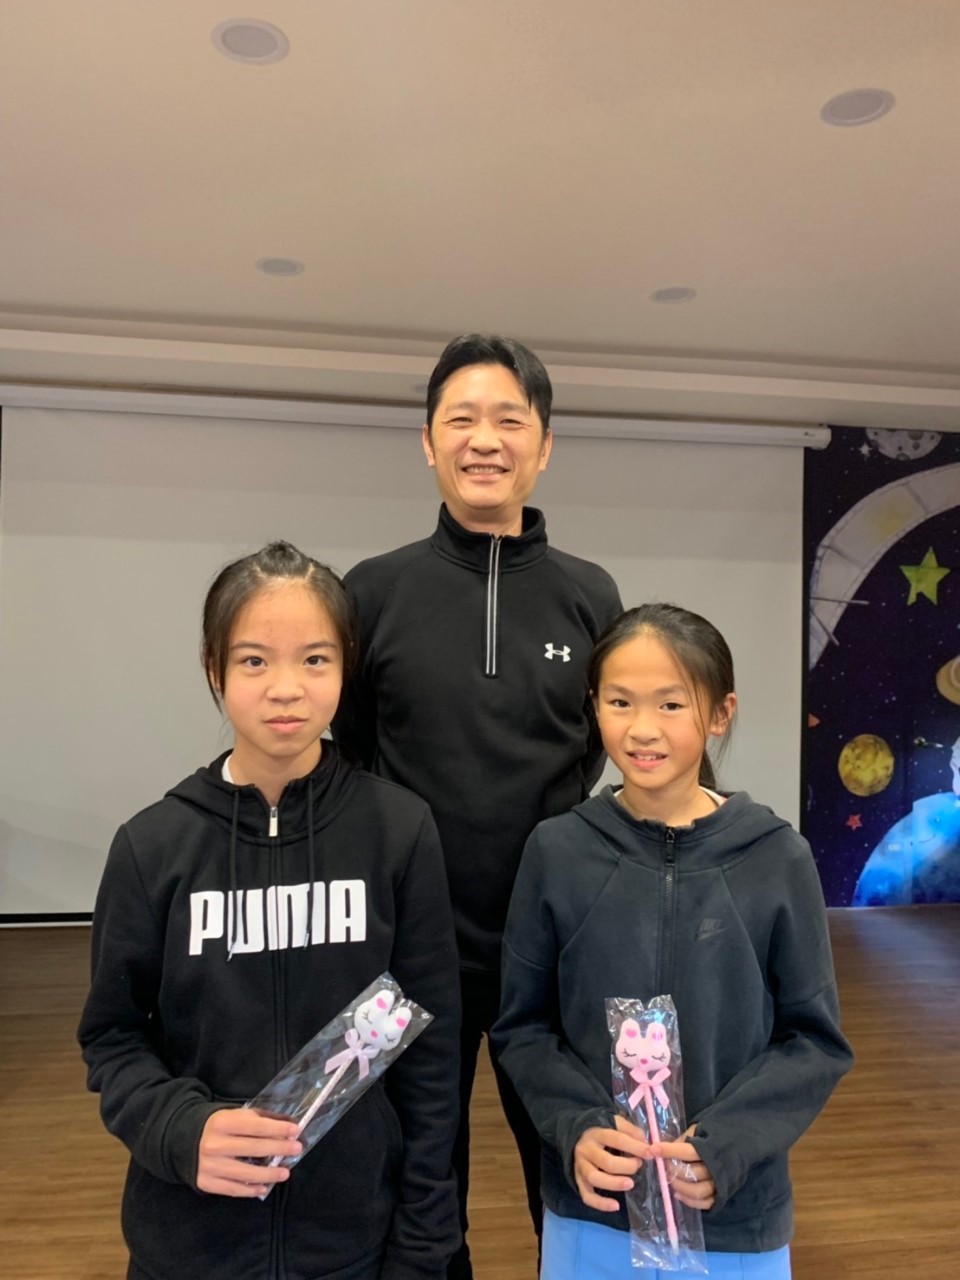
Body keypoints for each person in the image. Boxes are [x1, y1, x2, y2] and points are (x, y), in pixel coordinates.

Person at [78, 541, 461, 1280]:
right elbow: (112, 1036)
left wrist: (423, 1244)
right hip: (189, 1244)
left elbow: (430, 1055)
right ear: (214, 669)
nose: (286, 688)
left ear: (346, 668)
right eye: (254, 661)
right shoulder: (152, 846)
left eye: (315, 660)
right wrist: (180, 1128)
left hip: (355, 1242)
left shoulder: (399, 831)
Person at [332, 335, 622, 1277]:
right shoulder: (371, 591)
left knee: (575, 1166)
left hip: (555, 945)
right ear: (428, 441)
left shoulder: (591, 596)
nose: (484, 439)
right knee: (415, 1170)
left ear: (545, 444)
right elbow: (357, 751)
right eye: (461, 419)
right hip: (409, 945)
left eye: (509, 420)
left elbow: (596, 748)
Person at [492, 603, 854, 1279]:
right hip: (594, 1209)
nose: (642, 728)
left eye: (671, 704)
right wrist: (577, 1126)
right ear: (593, 706)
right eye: (619, 702)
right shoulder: (557, 850)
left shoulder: (777, 857)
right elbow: (522, 1026)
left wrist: (728, 1145)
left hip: (734, 1213)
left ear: (719, 713)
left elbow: (814, 1041)